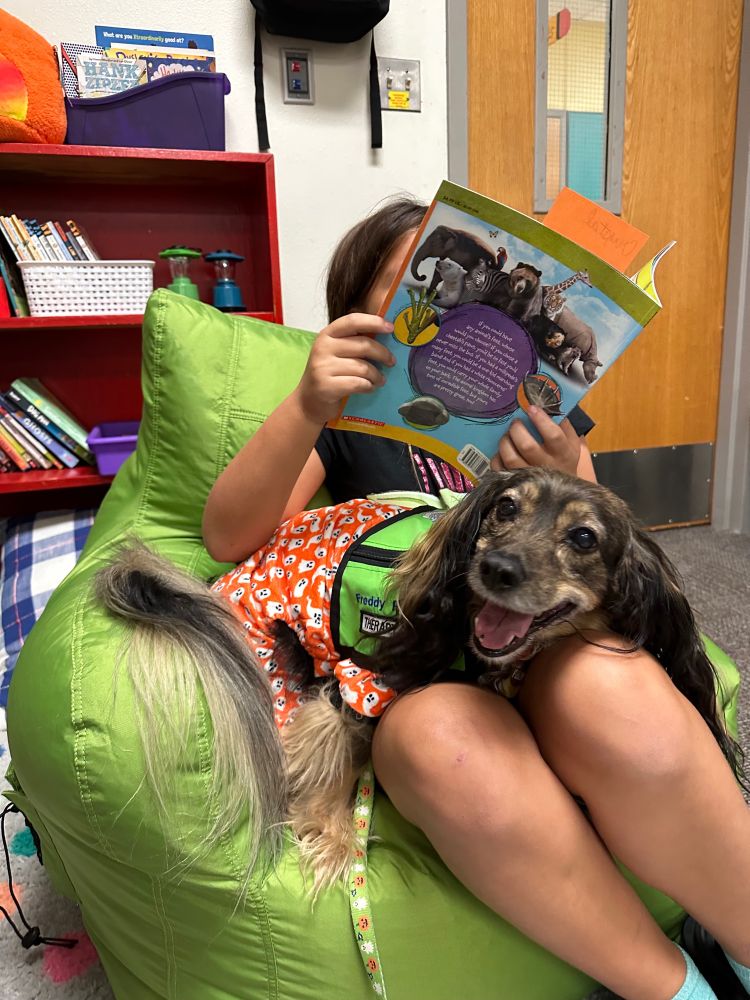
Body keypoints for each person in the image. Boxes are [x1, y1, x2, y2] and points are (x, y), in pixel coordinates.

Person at [203, 198, 750, 1000]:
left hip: (541, 648)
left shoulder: (536, 422)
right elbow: (230, 537)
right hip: (420, 666)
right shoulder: (347, 424)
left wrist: (572, 466)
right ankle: (675, 990)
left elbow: (603, 564)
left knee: (612, 685)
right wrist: (307, 404)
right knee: (438, 740)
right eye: (415, 289)